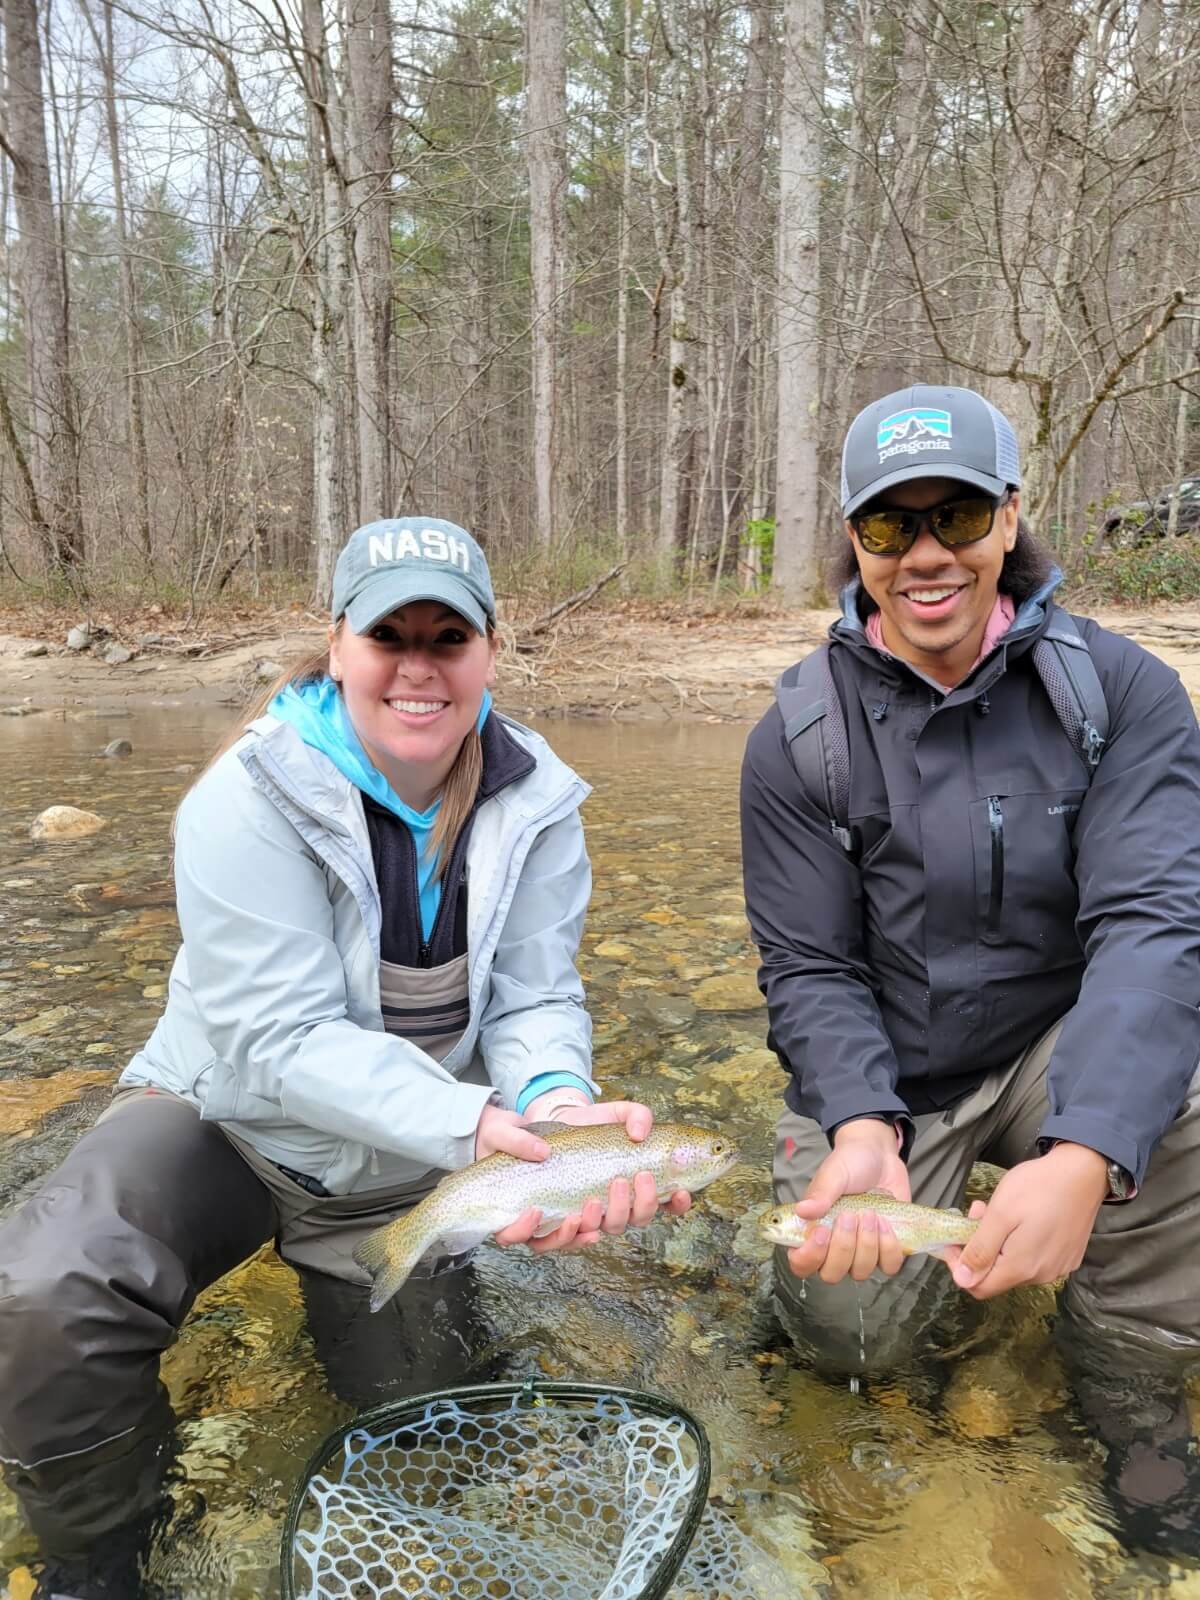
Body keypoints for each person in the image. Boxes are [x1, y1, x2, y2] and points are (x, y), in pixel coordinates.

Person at [0, 516, 691, 1600]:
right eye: (390, 636)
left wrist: (558, 1104)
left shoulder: (539, 801)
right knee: (52, 1285)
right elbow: (274, 1039)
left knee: (426, 1433)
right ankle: (104, 1556)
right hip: (220, 1118)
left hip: (394, 1169)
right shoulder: (244, 794)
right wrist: (474, 1127)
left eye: (447, 636)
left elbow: (537, 995)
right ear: (339, 648)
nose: (418, 666)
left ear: (490, 654)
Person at [740, 385, 1200, 1551]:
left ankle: (1130, 1389)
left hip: (1058, 1044)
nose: (927, 555)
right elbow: (806, 966)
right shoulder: (799, 734)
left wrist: (1090, 1150)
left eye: (956, 515)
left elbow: (1155, 923)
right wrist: (857, 1123)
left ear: (1009, 518)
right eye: (892, 527)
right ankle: (794, 1296)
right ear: (856, 542)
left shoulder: (1122, 692)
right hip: (894, 1075)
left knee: (1186, 1094)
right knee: (850, 1336)